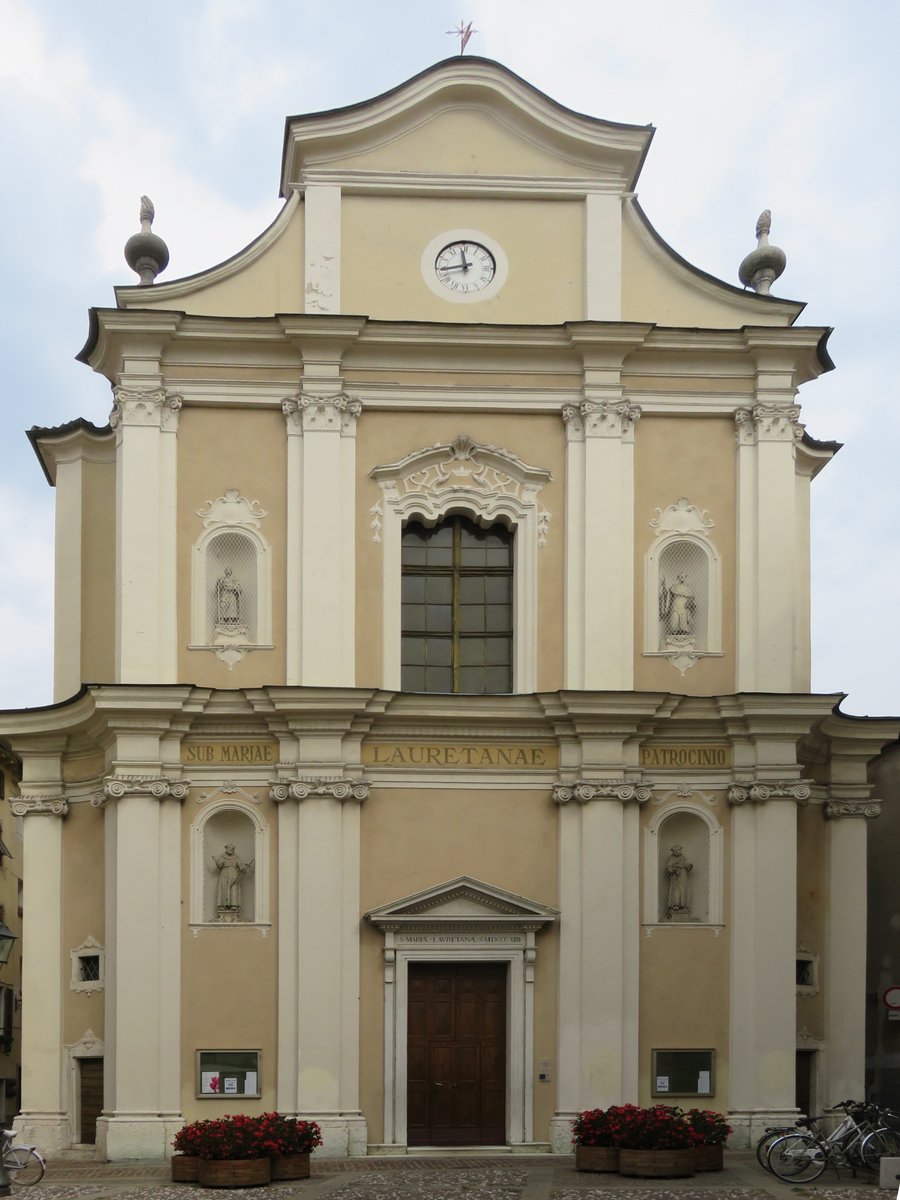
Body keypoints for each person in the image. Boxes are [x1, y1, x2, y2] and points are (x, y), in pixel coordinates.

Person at [213, 844, 252, 913]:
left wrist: (242, 868)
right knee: (224, 888)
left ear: (233, 849)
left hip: (234, 873)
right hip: (224, 874)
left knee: (234, 888)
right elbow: (219, 866)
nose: (230, 849)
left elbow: (240, 865)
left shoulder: (236, 857)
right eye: (229, 848)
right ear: (226, 848)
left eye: (232, 848)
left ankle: (234, 904)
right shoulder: (222, 856)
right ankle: (223, 904)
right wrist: (217, 861)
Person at [664, 844, 693, 918]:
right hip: (675, 876)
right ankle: (675, 904)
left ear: (680, 850)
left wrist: (689, 866)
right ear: (673, 851)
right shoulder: (671, 858)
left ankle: (682, 905)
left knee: (682, 889)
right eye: (675, 851)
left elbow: (687, 867)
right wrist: (673, 869)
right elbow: (668, 867)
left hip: (683, 876)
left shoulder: (683, 857)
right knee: (675, 890)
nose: (677, 852)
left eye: (678, 850)